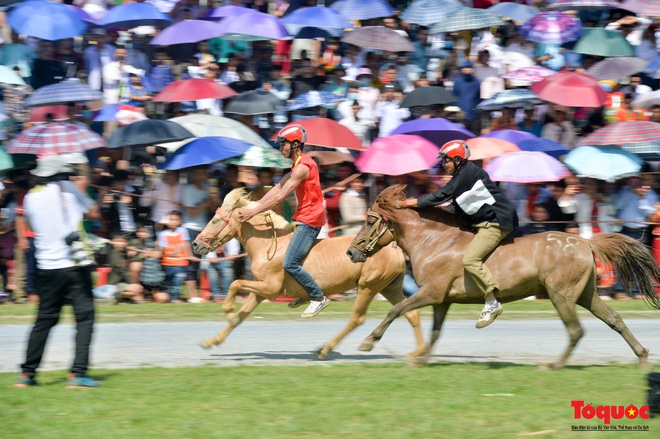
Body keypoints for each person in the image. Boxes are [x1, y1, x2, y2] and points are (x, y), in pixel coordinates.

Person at [399, 140, 519, 328]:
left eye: (445, 161)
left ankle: (492, 301)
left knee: (470, 259)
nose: (442, 165)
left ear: (456, 159)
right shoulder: (464, 175)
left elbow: (442, 194)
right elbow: (453, 206)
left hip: (496, 222)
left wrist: (411, 203)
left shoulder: (467, 173)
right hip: (483, 222)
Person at [16, 156, 100, 388]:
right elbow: (94, 213)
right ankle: (77, 374)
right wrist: (88, 190)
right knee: (84, 318)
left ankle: (27, 374)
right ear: (63, 174)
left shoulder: (30, 197)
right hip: (73, 264)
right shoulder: (70, 189)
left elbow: (33, 226)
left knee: (44, 319)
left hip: (46, 267)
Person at [238, 124, 330, 318]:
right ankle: (305, 292)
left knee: (289, 263)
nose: (281, 148)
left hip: (310, 221)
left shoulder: (303, 167)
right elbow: (276, 189)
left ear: (295, 145)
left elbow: (280, 197)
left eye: (283, 144)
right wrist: (253, 207)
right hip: (302, 218)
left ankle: (318, 297)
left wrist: (253, 212)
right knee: (287, 259)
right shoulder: (297, 165)